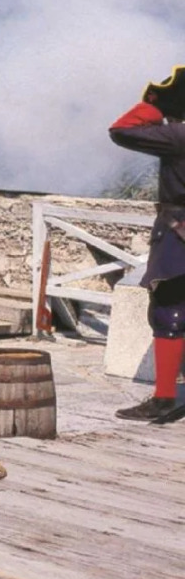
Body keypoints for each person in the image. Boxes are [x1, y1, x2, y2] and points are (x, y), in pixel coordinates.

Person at [108, 65, 185, 422]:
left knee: (168, 309)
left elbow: (121, 129)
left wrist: (157, 105)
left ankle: (165, 397)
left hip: (178, 232)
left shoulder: (177, 136)